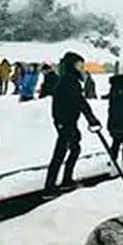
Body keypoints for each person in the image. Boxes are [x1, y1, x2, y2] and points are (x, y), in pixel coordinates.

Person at [44, 52, 101, 199]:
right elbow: (80, 102)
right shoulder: (69, 81)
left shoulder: (69, 80)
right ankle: (50, 186)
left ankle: (64, 180)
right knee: (62, 152)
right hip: (65, 121)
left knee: (73, 149)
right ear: (72, 66)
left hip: (66, 121)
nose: (82, 68)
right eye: (79, 65)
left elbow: (77, 102)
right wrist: (91, 119)